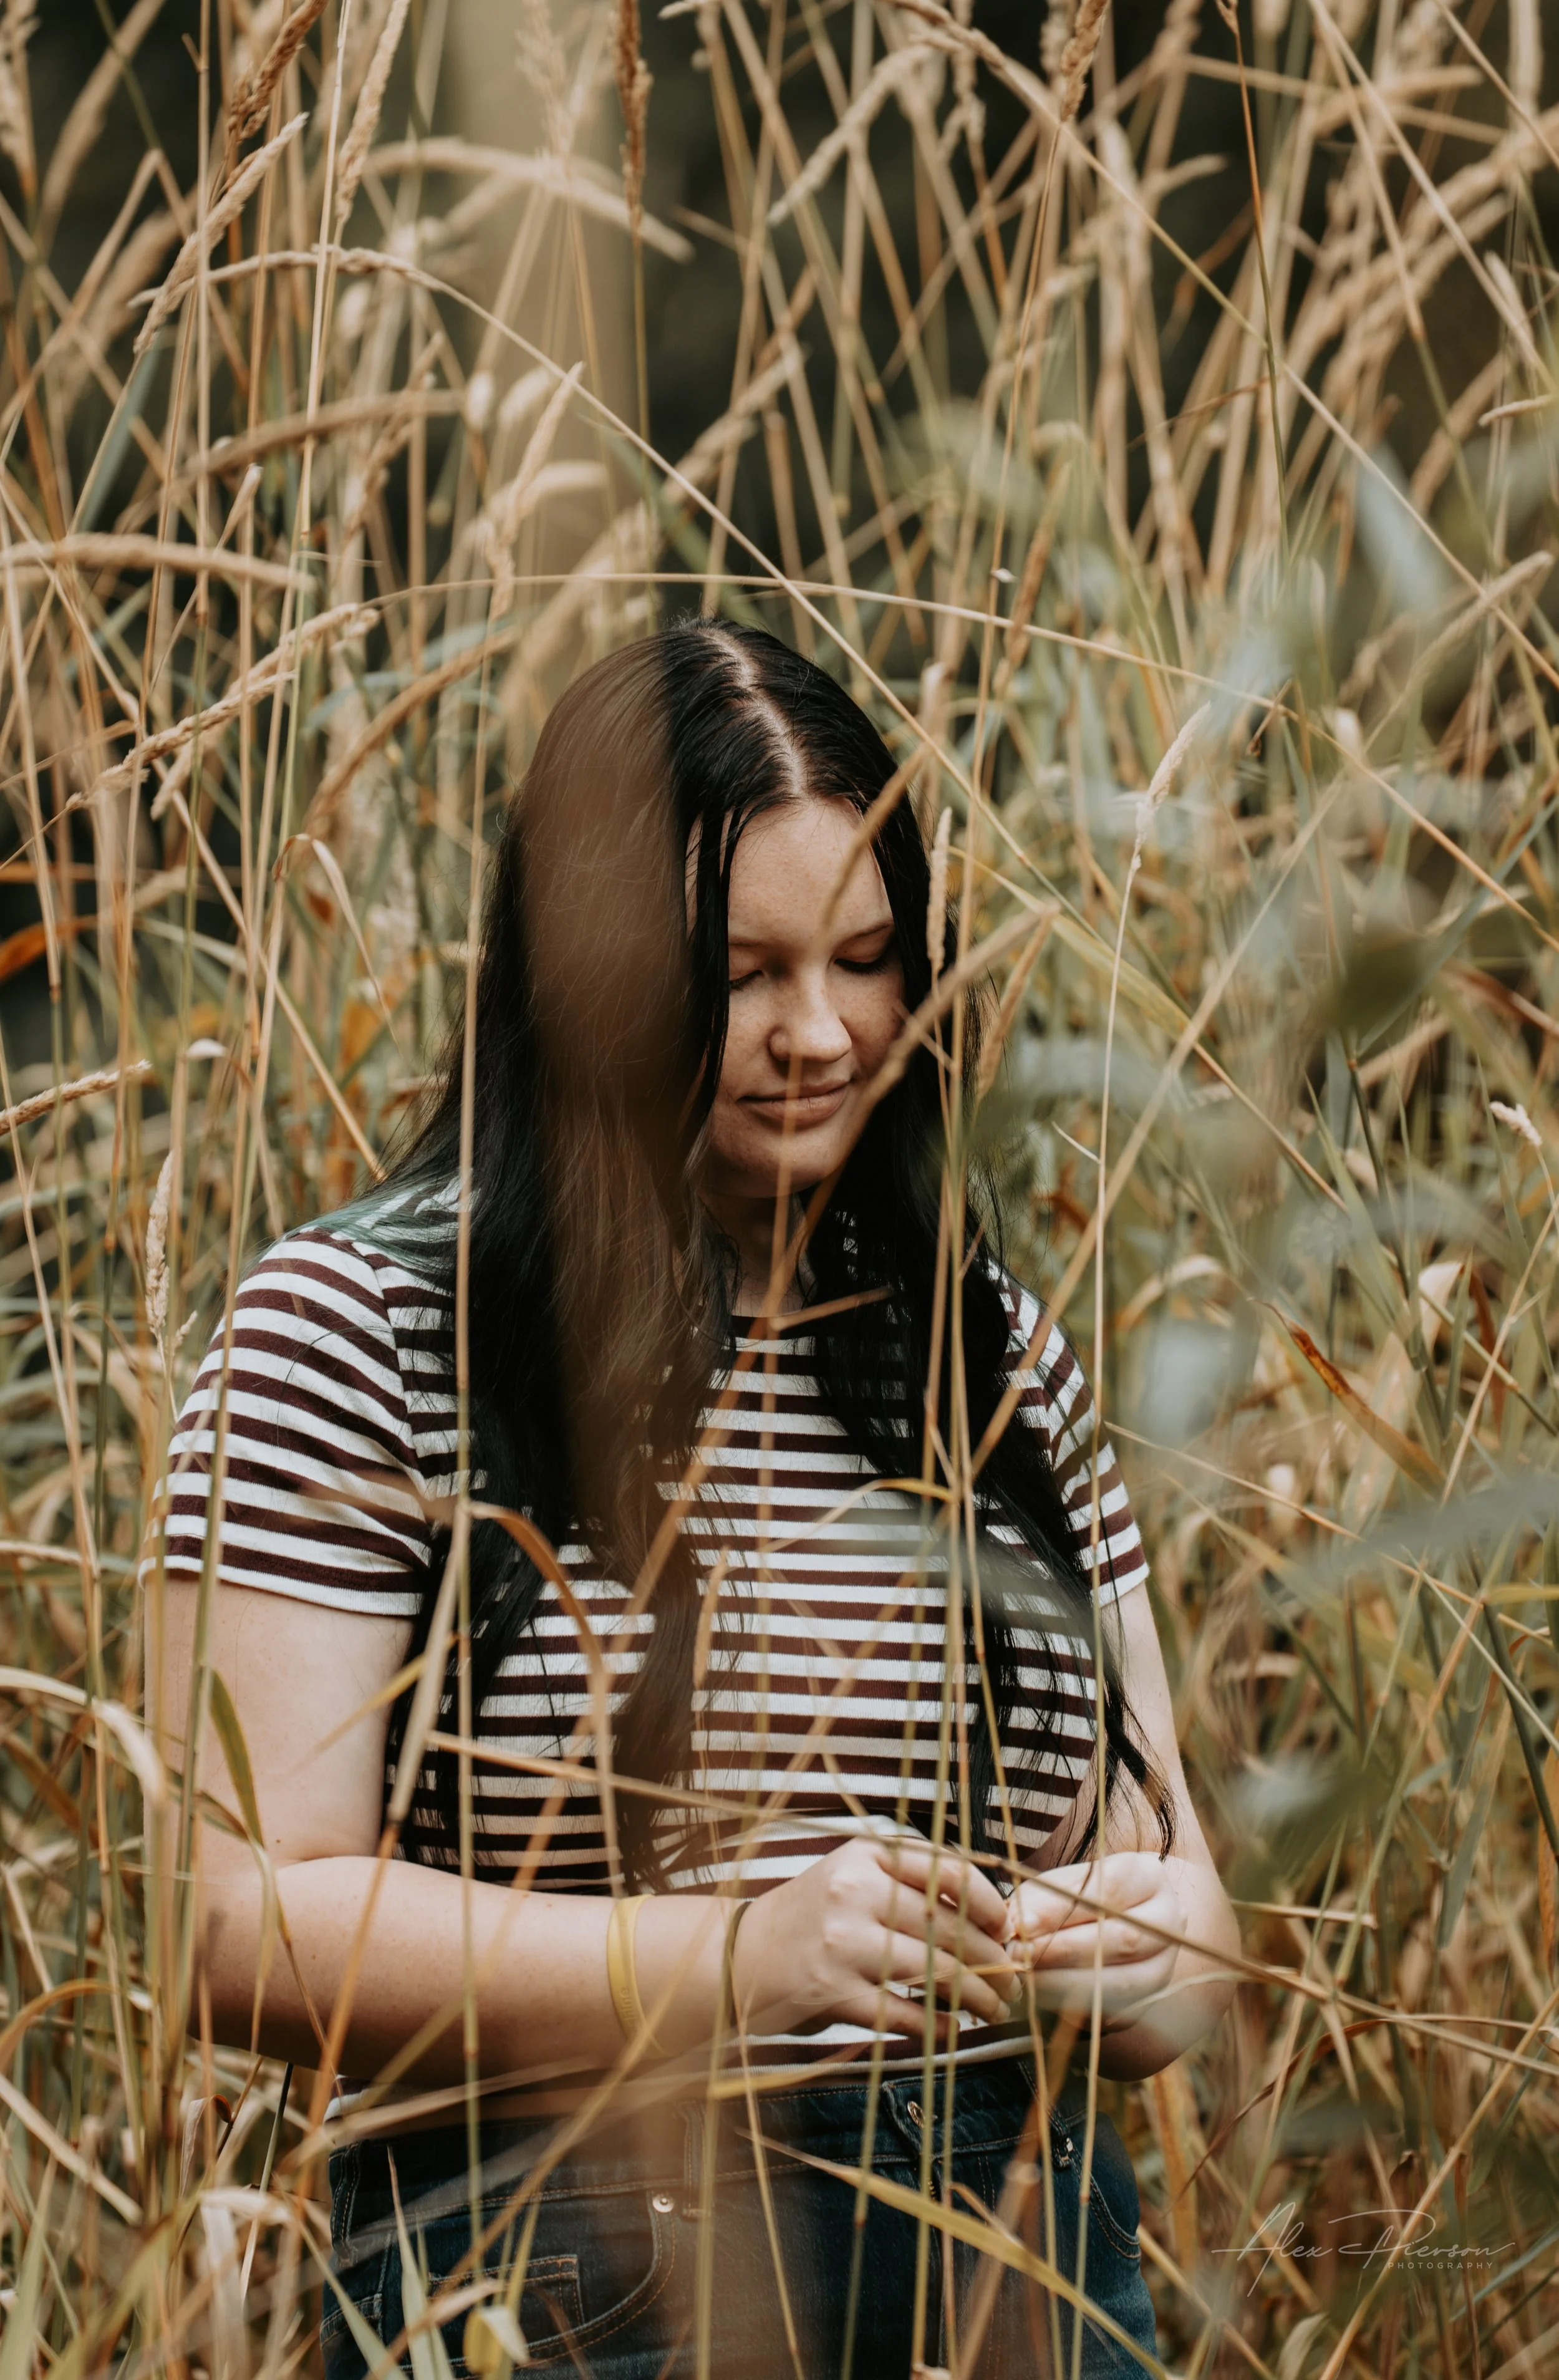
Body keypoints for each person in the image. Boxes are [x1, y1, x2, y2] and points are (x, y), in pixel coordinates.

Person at [155, 622, 1239, 2379]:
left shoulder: (991, 1356)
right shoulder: (360, 1331)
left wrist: (1122, 1957)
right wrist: (735, 1964)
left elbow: (1185, 1915)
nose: (821, 1032)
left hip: (1027, 2288)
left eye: (869, 959)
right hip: (564, 2289)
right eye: (742, 973)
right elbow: (237, 1923)